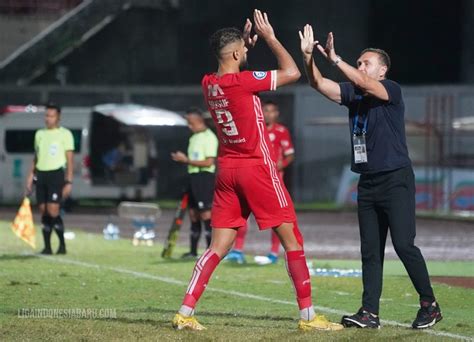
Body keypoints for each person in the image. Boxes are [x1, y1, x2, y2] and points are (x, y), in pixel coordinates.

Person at [172, 10, 343, 332]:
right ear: (236, 54)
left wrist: (244, 49)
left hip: (226, 170)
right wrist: (268, 38)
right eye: (244, 51)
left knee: (217, 247)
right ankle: (308, 317)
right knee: (293, 241)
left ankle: (185, 311)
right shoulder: (243, 81)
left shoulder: (209, 83)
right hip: (256, 168)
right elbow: (291, 72)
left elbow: (235, 73)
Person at [299, 24, 442, 329]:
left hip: (396, 178)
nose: (361, 66)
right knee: (370, 251)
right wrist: (309, 57)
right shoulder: (354, 93)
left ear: (382, 70)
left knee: (404, 245)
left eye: (367, 62)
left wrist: (336, 59)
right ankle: (369, 313)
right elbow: (319, 84)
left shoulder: (391, 89)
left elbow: (361, 80)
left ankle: (429, 305)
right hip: (368, 180)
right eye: (360, 62)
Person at [225, 100, 295, 265]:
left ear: (277, 113)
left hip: (273, 180)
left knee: (277, 217)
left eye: (272, 111)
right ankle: (237, 250)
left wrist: (281, 164)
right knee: (243, 213)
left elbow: (290, 154)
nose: (269, 114)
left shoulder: (281, 131)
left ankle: (273, 253)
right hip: (253, 178)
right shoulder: (254, 128)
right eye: (266, 111)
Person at [26, 103, 74, 255]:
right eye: (46, 115)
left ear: (58, 117)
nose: (48, 118)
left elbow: (70, 159)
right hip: (41, 174)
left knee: (53, 210)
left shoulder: (65, 134)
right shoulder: (40, 134)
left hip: (56, 174)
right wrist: (30, 176)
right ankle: (47, 247)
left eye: (51, 116)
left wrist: (69, 181)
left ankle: (62, 245)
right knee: (43, 211)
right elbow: (36, 157)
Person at [171, 107, 218, 259]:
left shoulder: (209, 137)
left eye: (191, 123)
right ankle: (192, 251)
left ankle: (210, 251)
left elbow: (209, 162)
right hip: (192, 177)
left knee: (205, 213)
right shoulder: (194, 137)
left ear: (199, 121)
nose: (189, 126)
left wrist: (186, 160)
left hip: (204, 177)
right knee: (193, 214)